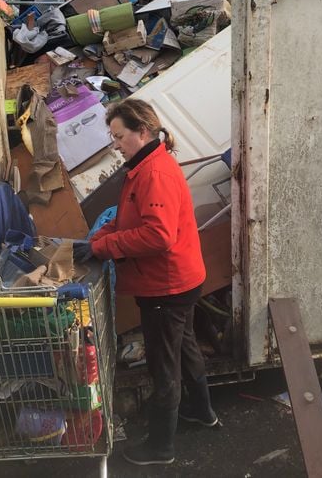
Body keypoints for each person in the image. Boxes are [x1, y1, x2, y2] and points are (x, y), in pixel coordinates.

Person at [73, 99, 219, 466]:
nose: (116, 145)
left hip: (165, 286)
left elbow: (157, 235)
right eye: (113, 137)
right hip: (181, 280)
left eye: (120, 136)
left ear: (143, 131)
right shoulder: (146, 166)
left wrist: (103, 247)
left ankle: (160, 448)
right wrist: (95, 241)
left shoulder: (154, 173)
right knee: (184, 348)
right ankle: (201, 412)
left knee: (164, 366)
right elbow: (129, 219)